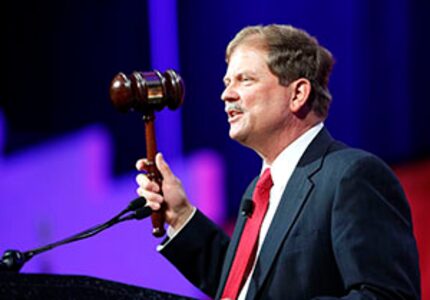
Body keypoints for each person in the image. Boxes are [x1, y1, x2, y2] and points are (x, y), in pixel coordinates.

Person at [136, 24, 421, 299]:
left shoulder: (352, 176)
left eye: (245, 79)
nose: (226, 94)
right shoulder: (258, 191)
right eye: (227, 82)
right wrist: (181, 215)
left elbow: (386, 294)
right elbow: (247, 289)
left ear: (297, 94)